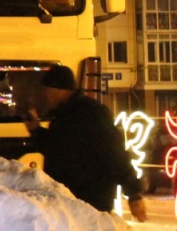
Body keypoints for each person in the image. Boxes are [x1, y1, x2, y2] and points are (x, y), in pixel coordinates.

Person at [26, 64, 148, 219]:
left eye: (47, 89)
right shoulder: (62, 115)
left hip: (91, 199)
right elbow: (57, 149)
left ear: (58, 88)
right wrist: (36, 130)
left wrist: (133, 192)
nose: (44, 94)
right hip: (69, 198)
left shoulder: (90, 113)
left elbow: (114, 152)